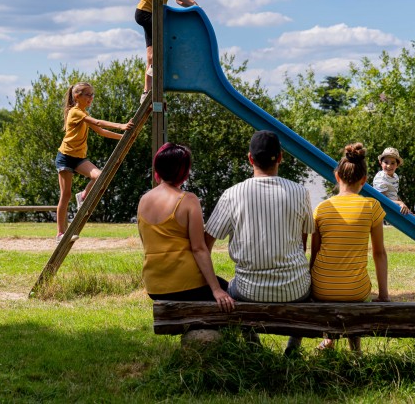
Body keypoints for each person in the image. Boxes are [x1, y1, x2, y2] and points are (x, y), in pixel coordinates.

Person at [205, 130, 314, 355]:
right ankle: (293, 347)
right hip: (296, 289)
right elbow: (303, 244)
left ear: (250, 159)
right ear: (281, 157)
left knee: (229, 286)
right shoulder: (300, 192)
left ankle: (253, 346)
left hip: (248, 290)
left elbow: (206, 244)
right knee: (305, 281)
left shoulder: (232, 194)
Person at [137, 143, 234, 311]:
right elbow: (199, 248)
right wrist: (216, 289)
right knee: (232, 295)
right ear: (184, 173)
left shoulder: (143, 200)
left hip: (154, 287)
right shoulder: (188, 200)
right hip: (185, 285)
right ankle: (247, 337)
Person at [310, 143, 389, 352]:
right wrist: (383, 295)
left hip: (321, 288)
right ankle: (355, 349)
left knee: (332, 287)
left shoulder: (321, 208)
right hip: (356, 290)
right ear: (364, 180)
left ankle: (329, 339)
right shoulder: (372, 207)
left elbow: (315, 252)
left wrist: (313, 284)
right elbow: (379, 253)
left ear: (336, 177)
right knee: (356, 290)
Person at [55, 82, 133, 243]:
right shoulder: (75, 112)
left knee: (99, 176)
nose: (91, 98)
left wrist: (124, 137)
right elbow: (98, 123)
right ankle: (60, 233)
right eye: (88, 95)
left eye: (92, 95)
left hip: (78, 157)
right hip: (65, 156)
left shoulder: (84, 112)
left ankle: (83, 196)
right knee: (65, 194)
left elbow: (101, 131)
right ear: (77, 96)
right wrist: (121, 126)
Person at [135, 0, 198, 103]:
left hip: (155, 13)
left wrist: (189, 8)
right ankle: (154, 78)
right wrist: (194, 3)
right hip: (146, 12)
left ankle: (146, 91)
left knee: (150, 55)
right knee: (161, 47)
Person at [372, 147, 411, 215]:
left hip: (394, 206)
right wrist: (400, 203)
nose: (389, 166)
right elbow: (382, 200)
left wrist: (405, 206)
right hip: (385, 208)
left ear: (397, 165)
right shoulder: (380, 178)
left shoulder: (395, 177)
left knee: (410, 216)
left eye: (393, 163)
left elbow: (394, 195)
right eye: (386, 162)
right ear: (381, 163)